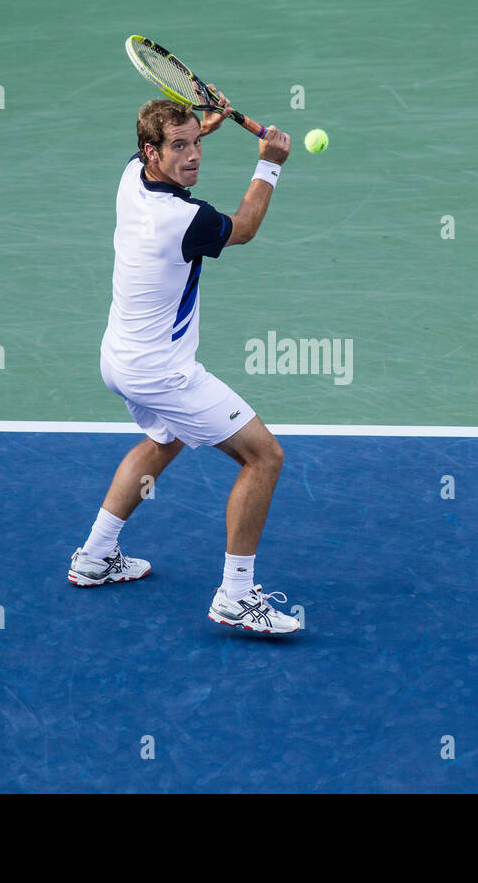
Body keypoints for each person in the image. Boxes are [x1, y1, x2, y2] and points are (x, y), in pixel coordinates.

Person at [69, 88, 300, 634]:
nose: (193, 155)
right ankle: (235, 596)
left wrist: (199, 127)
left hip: (118, 360)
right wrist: (269, 165)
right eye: (179, 147)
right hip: (162, 373)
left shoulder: (131, 179)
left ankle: (94, 557)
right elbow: (242, 229)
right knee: (264, 458)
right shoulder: (184, 219)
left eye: (197, 143)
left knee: (165, 440)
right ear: (152, 153)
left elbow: (168, 151)